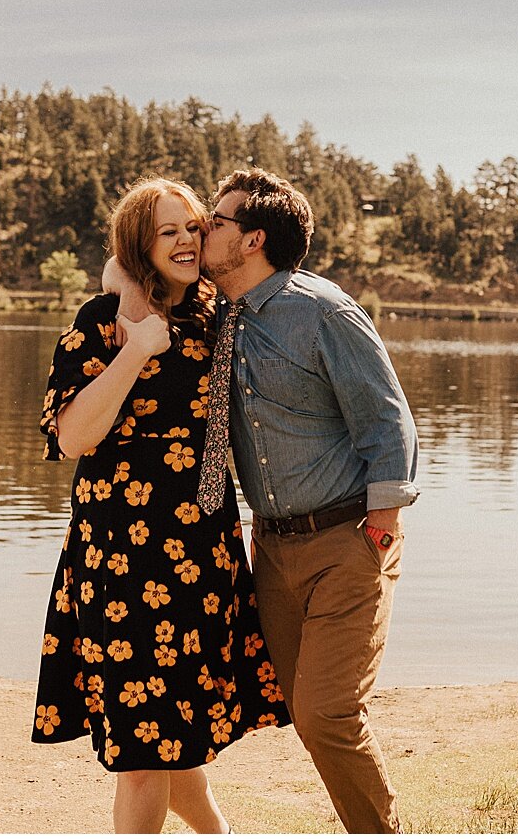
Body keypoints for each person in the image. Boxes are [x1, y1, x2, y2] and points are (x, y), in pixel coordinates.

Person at [109, 168, 419, 834]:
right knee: (283, 705)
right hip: (272, 551)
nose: (199, 231)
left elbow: (388, 420)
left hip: (346, 541)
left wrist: (381, 528)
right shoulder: (219, 318)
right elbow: (123, 270)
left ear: (252, 239)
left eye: (212, 222)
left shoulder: (322, 309)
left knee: (327, 714)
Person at [31, 177, 290, 835]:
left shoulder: (219, 315)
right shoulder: (101, 322)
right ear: (142, 243)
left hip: (200, 553)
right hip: (118, 555)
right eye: (165, 230)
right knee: (144, 752)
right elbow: (73, 435)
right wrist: (138, 346)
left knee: (170, 736)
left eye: (191, 227)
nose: (183, 240)